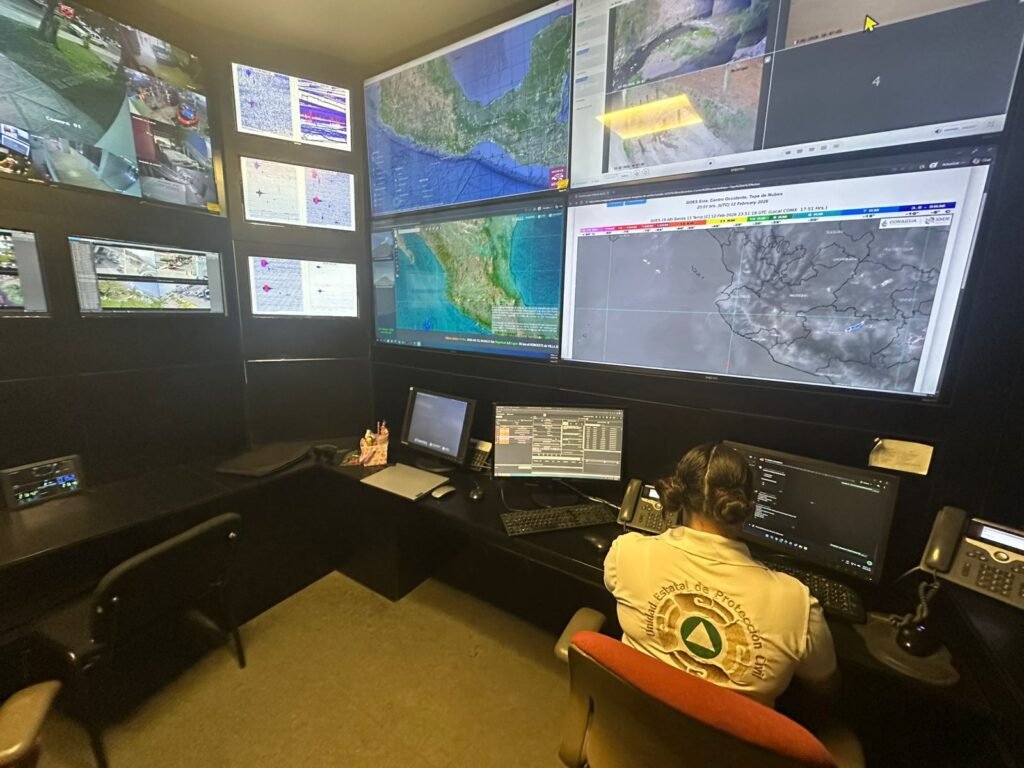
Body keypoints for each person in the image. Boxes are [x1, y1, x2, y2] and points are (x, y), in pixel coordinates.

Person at [603, 442, 840, 710]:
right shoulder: (797, 605)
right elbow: (825, 687)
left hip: (634, 723)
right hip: (728, 738)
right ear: (746, 507)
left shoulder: (626, 552)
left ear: (679, 495)